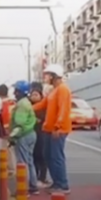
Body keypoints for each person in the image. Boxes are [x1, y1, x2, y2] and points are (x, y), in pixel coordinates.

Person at [33, 64, 72, 193]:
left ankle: (62, 185)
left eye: (48, 75)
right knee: (48, 156)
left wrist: (57, 127)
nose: (46, 77)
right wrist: (27, 108)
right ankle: (56, 182)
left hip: (57, 130)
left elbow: (63, 109)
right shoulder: (53, 90)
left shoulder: (63, 89)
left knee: (56, 157)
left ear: (54, 76)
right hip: (48, 129)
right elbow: (42, 104)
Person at [9, 81, 39, 195]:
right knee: (29, 162)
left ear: (21, 92)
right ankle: (33, 186)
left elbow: (19, 123)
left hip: (23, 135)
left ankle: (23, 189)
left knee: (22, 163)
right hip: (31, 133)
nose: (14, 93)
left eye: (16, 91)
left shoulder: (21, 104)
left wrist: (12, 137)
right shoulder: (26, 102)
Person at [30, 82, 51, 187]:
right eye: (32, 94)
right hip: (31, 134)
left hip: (41, 134)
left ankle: (42, 177)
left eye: (36, 94)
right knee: (33, 156)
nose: (34, 97)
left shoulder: (44, 106)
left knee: (41, 156)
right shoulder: (28, 106)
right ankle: (35, 177)